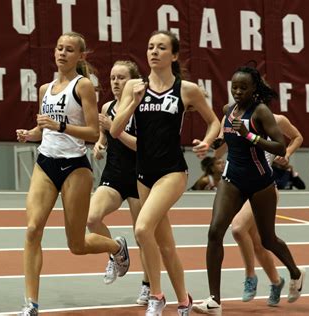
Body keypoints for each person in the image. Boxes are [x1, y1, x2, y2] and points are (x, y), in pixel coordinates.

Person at [15, 32, 130, 316]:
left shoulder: (84, 86)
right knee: (32, 230)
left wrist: (60, 127)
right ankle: (31, 304)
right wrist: (31, 134)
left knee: (76, 245)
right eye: (58, 48)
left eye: (69, 50)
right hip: (46, 162)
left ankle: (117, 246)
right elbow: (43, 127)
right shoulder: (45, 89)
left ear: (80, 56)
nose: (62, 53)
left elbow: (92, 132)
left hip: (74, 167)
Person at [110, 30, 220, 316]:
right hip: (143, 172)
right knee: (166, 244)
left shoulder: (187, 89)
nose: (154, 52)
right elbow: (114, 129)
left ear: (173, 55)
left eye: (161, 47)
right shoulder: (134, 85)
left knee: (142, 229)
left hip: (172, 171)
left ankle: (156, 296)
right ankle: (184, 300)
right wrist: (133, 101)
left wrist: (208, 142)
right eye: (150, 47)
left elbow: (214, 122)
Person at [193, 65, 306, 315]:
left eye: (244, 87)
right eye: (234, 87)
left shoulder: (262, 113)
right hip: (232, 179)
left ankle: (296, 273)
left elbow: (278, 147)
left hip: (260, 183)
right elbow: (226, 140)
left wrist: (251, 136)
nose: (238, 91)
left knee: (267, 239)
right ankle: (214, 301)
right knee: (215, 231)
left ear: (254, 89)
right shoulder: (227, 110)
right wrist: (208, 144)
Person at [213, 113, 303, 306]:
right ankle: (277, 281)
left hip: (263, 187)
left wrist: (286, 153)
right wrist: (214, 142)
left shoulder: (277, 120)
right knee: (259, 244)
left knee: (238, 229)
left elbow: (297, 137)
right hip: (237, 186)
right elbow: (218, 152)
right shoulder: (231, 116)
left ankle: (250, 276)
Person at [86, 60, 152, 304]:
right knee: (92, 218)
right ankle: (116, 250)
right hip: (114, 175)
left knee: (142, 235)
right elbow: (104, 136)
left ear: (133, 81)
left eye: (121, 78)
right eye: (113, 78)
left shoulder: (144, 108)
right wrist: (99, 145)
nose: (115, 82)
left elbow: (142, 146)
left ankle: (148, 285)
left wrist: (114, 129)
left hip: (139, 177)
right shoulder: (107, 106)